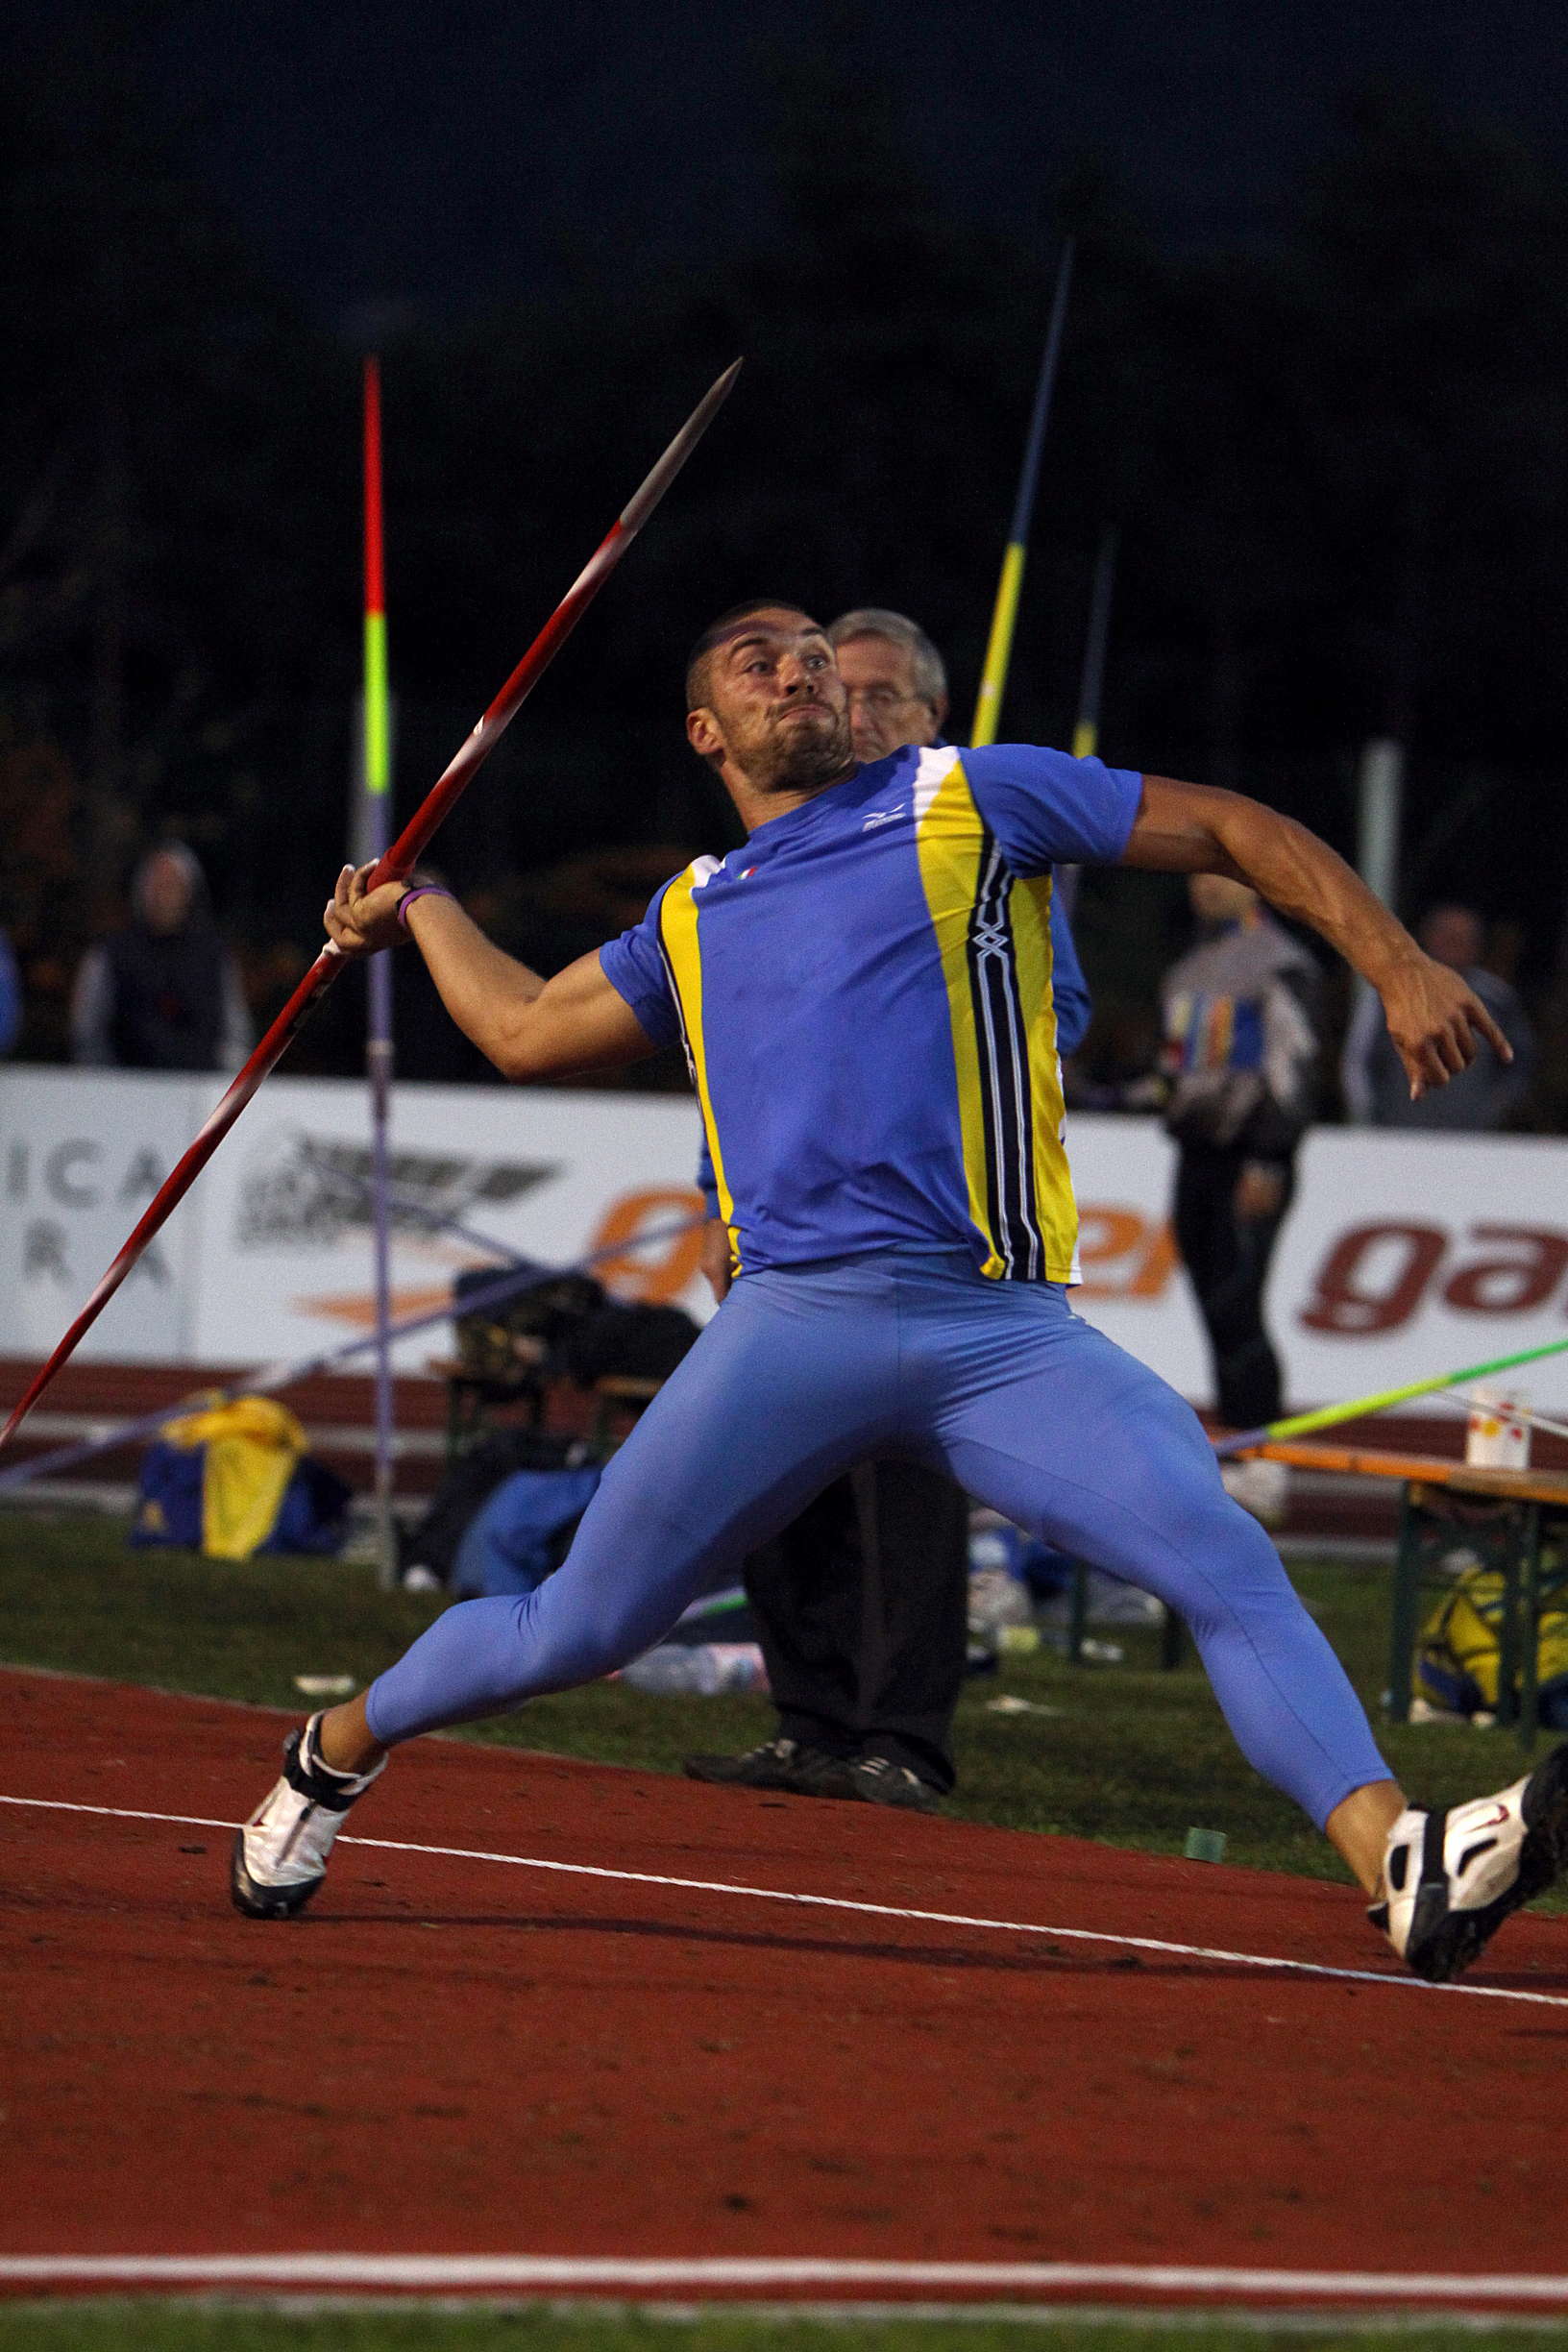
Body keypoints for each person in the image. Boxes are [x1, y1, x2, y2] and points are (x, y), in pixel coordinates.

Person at [232, 600, 1566, 1987]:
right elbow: (518, 1030)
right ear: (707, 732)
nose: (799, 670)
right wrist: (423, 906)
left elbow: (1237, 829)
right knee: (577, 1629)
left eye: (814, 656)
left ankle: (1399, 1862)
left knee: (1218, 1555)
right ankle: (333, 1753)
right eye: (759, 663)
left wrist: (1399, 962)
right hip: (791, 1329)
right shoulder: (696, 911)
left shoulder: (972, 797)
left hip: (999, 1336)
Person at [685, 606, 1091, 1810]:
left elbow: (1052, 1009)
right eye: (837, 688)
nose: (847, 710)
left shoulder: (970, 832)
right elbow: (738, 1045)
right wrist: (714, 1195)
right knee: (772, 1476)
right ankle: (807, 1718)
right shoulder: (778, 852)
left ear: (929, 716)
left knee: (906, 1485)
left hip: (928, 1231)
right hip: (788, 1236)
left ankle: (902, 1735)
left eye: (875, 696)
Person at [1159, 873, 1318, 1523]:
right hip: (1196, 1154)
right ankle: (1235, 1451)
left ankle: (1264, 1461)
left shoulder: (1281, 963)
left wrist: (1269, 1157)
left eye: (1217, 873)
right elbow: (1180, 1067)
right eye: (1195, 874)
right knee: (1211, 1304)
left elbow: (1294, 1062)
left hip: (1248, 1153)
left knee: (1238, 1302)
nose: (1201, 886)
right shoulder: (1191, 965)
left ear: (1253, 883)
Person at [1340, 902, 1534, 1131]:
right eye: (1447, 936)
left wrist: (1494, 1110)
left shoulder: (1497, 999)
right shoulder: (1390, 995)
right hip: (1398, 1133)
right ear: (1427, 937)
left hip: (1472, 1137)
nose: (1455, 944)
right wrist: (1371, 1115)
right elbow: (1359, 1062)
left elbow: (1519, 1064)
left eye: (1464, 938)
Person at [70, 842, 253, 1073]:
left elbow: (234, 1033)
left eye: (172, 885)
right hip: (125, 1085)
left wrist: (224, 1084)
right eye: (156, 885)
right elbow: (88, 1032)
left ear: (190, 892)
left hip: (199, 1085)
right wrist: (102, 1082)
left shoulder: (214, 955)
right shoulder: (110, 953)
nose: (163, 894)